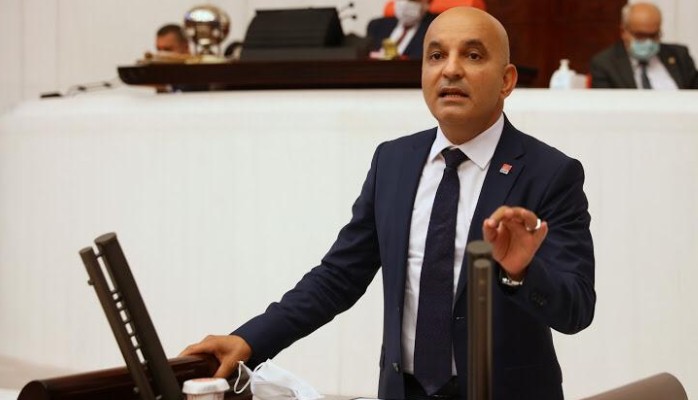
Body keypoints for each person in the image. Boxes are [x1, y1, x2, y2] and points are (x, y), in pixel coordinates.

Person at [182, 7, 595, 400]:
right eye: (436, 56)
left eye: (472, 55)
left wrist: (523, 272)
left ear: (506, 80)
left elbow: (577, 309)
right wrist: (250, 340)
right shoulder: (394, 162)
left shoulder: (549, 173)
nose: (451, 69)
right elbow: (338, 277)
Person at [589, 2, 696, 89]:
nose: (648, 42)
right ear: (623, 32)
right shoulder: (605, 64)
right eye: (640, 36)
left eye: (653, 35)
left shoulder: (679, 55)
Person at [366, 0, 435, 59]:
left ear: (427, 4)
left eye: (412, 0)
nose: (404, 3)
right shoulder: (377, 25)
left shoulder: (434, 28)